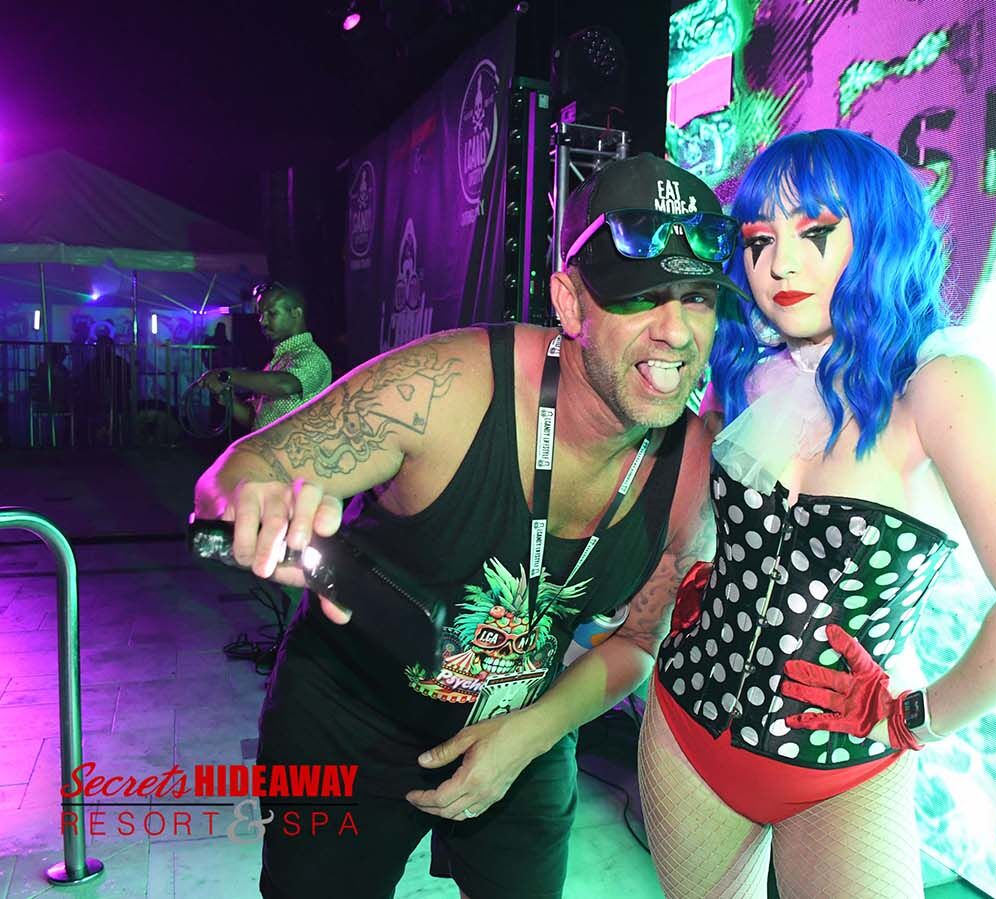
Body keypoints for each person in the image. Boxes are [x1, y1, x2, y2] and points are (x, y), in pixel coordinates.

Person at [192, 152, 742, 898]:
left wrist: (531, 735)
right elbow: (244, 469)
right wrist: (250, 501)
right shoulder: (449, 389)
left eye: (697, 296)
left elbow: (638, 641)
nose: (675, 331)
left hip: (526, 723)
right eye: (640, 296)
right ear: (570, 303)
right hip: (348, 720)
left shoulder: (692, 471)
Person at [636, 128, 996, 898]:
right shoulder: (751, 368)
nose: (778, 264)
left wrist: (917, 716)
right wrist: (699, 570)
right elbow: (723, 507)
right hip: (685, 729)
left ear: (879, 232)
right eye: (760, 240)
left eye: (813, 232)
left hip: (844, 772)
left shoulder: (941, 387)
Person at [202, 282, 332, 432]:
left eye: (272, 313)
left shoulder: (313, 356)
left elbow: (285, 385)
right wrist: (230, 400)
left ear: (296, 313)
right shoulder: (277, 362)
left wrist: (227, 375)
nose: (262, 321)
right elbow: (254, 419)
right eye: (261, 314)